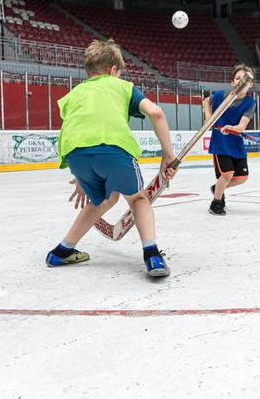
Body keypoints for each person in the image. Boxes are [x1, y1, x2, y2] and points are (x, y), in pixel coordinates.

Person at [45, 40, 177, 277]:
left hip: (75, 154)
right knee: (138, 198)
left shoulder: (73, 93)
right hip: (114, 149)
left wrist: (80, 177)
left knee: (104, 199)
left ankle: (61, 251)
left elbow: (75, 130)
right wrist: (167, 154)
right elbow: (156, 113)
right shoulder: (123, 86)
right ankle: (152, 256)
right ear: (113, 70)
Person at [203, 64, 255, 216]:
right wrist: (209, 117)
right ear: (233, 82)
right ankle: (216, 203)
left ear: (250, 84)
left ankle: (217, 188)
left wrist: (231, 128)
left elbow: (241, 126)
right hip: (220, 143)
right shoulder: (221, 95)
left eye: (245, 80)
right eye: (238, 78)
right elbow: (207, 101)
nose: (241, 82)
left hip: (236, 144)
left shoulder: (250, 103)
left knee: (242, 178)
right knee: (227, 174)